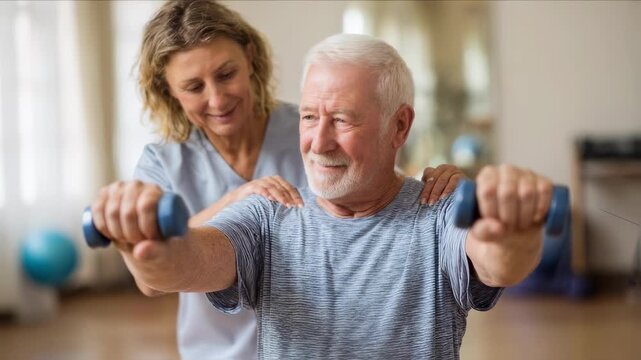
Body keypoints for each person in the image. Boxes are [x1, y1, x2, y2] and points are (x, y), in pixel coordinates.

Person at [93, 33, 554, 359]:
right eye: (310, 117)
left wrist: (511, 228)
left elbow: (498, 261)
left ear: (399, 126)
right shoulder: (267, 214)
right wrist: (144, 244)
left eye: (343, 120)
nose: (318, 141)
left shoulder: (439, 209)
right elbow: (186, 261)